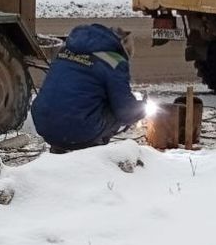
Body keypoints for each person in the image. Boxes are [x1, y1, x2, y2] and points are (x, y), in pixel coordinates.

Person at [32, 24, 146, 152]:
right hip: (78, 128)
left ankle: (61, 147)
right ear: (122, 46)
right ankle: (93, 152)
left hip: (44, 124)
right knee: (115, 112)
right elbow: (126, 112)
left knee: (77, 105)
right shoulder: (114, 61)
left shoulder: (67, 49)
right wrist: (142, 108)